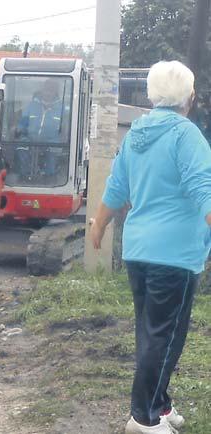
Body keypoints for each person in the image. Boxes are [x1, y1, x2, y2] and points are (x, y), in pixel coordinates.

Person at [90, 60, 211, 434]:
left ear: (151, 94)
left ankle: (158, 406)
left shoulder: (138, 133)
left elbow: (116, 187)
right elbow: (204, 190)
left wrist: (98, 223)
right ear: (189, 97)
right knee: (165, 336)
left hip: (139, 251)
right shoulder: (185, 135)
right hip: (173, 255)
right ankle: (142, 418)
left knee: (152, 332)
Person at [16, 79, 64, 176]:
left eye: (51, 90)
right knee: (21, 149)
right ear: (43, 90)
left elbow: (65, 130)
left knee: (53, 156)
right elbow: (22, 124)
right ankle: (25, 177)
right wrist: (18, 129)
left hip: (52, 142)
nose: (48, 93)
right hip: (31, 140)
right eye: (46, 90)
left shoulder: (62, 109)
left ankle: (49, 178)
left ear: (55, 92)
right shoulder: (32, 106)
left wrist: (62, 138)